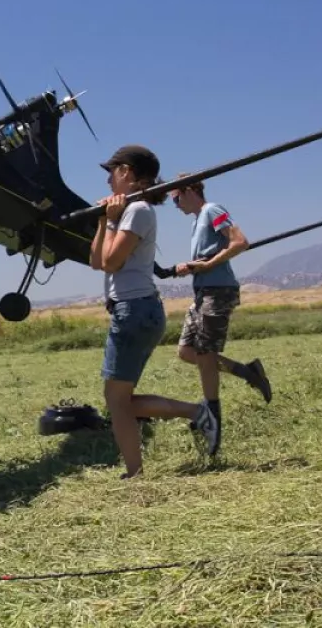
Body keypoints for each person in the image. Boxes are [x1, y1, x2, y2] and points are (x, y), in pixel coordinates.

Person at [92, 145, 221, 477]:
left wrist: (111, 221)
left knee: (116, 400)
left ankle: (135, 473)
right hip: (135, 310)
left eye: (112, 171)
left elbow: (111, 261)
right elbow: (96, 261)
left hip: (134, 310)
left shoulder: (138, 211)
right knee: (119, 400)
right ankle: (197, 413)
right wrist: (102, 220)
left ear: (127, 172)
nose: (108, 180)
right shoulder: (127, 212)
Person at [169, 175, 273, 456]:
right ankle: (248, 372)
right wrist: (192, 266)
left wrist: (209, 264)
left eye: (176, 198)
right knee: (186, 352)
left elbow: (240, 242)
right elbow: (208, 257)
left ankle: (212, 416)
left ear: (189, 190)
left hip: (218, 291)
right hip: (202, 291)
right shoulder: (197, 221)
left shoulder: (213, 210)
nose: (175, 205)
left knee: (205, 355)